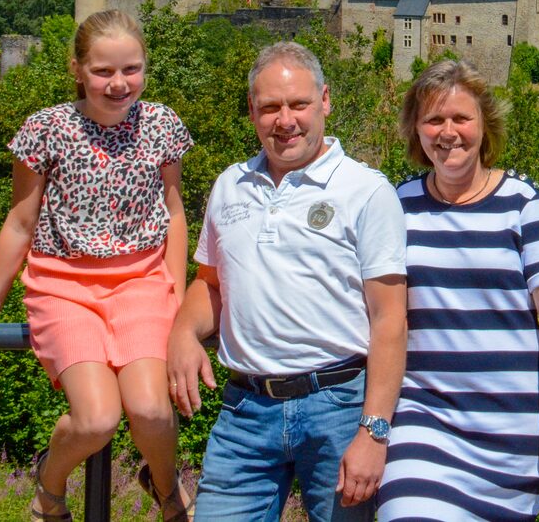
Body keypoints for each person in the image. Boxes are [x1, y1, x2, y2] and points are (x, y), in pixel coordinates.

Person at [0, 9, 194, 522]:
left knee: (150, 409)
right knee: (97, 419)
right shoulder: (45, 129)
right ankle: (50, 484)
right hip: (64, 286)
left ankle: (166, 488)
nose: (120, 83)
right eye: (104, 71)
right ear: (78, 70)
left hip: (143, 283)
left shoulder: (163, 124)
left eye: (132, 69)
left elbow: (174, 213)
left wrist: (174, 294)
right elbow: (20, 222)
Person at [168, 42, 407, 522]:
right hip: (245, 410)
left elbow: (389, 319)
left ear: (325, 101)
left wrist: (374, 431)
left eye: (298, 104)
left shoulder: (366, 190)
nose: (286, 120)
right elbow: (211, 284)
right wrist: (181, 331)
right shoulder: (229, 185)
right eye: (270, 107)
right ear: (253, 112)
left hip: (339, 405)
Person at [377, 60, 539, 521]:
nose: (447, 132)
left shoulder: (524, 204)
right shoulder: (397, 205)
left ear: (484, 125)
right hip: (424, 420)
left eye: (460, 118)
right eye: (433, 120)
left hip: (512, 432)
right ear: (416, 130)